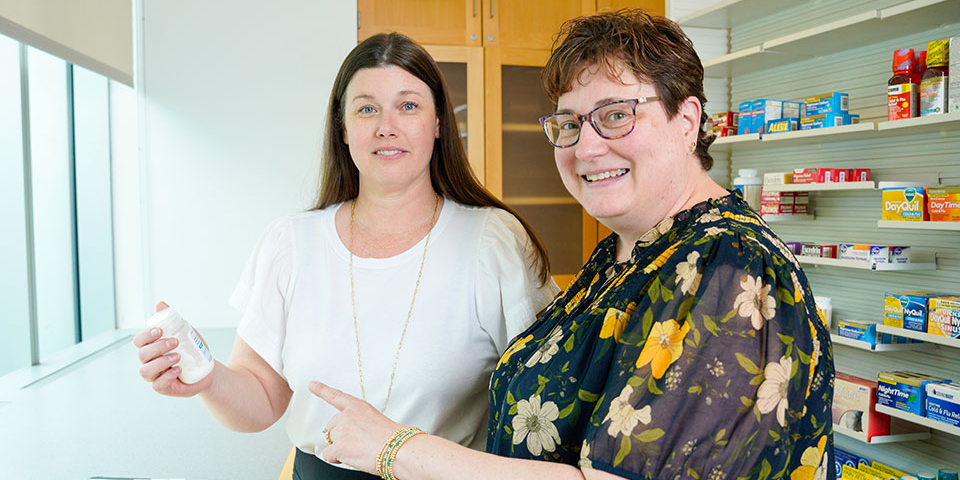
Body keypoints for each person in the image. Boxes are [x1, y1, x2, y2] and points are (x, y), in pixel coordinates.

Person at [309, 9, 835, 480]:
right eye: (569, 124)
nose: (586, 147)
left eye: (616, 115)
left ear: (687, 121)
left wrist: (398, 448)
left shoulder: (732, 268)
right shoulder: (625, 253)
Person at [133, 32, 560, 479]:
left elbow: (543, 398)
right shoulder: (290, 243)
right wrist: (206, 378)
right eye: (367, 109)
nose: (386, 126)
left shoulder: (493, 241)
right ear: (343, 128)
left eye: (408, 106)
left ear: (438, 123)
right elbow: (261, 399)